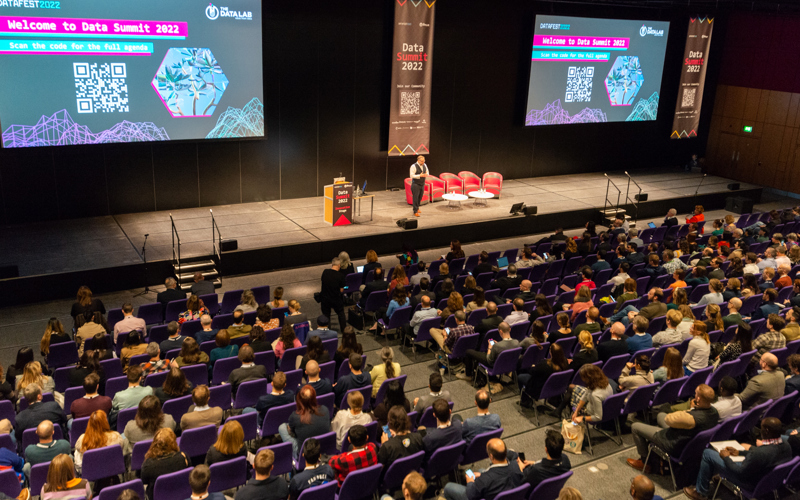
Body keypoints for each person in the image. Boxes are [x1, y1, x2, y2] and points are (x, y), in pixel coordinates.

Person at [684, 417, 792, 500]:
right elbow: (762, 457)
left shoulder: (760, 453)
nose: (760, 430)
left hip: (749, 483)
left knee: (708, 453)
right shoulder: (787, 445)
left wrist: (726, 457)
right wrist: (739, 452)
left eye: (762, 427)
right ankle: (717, 476)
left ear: (767, 431)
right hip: (766, 481)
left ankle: (701, 493)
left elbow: (739, 471)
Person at [628, 384, 719, 472]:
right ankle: (655, 456)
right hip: (686, 437)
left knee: (635, 427)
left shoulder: (691, 418)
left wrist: (690, 409)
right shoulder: (714, 412)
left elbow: (668, 420)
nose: (694, 395)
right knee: (660, 415)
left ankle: (645, 462)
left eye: (696, 393)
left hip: (673, 443)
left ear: (698, 398)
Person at [442, 438, 522, 500]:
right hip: (504, 491)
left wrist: (470, 481)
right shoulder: (515, 466)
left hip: (483, 494)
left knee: (448, 487)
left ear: (491, 456)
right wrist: (482, 475)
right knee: (481, 470)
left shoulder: (485, 479)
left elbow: (471, 495)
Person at [464, 322, 520, 394]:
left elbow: (489, 360)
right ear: (510, 329)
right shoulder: (517, 342)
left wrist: (490, 348)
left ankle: (468, 375)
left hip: (494, 366)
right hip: (509, 366)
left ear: (500, 331)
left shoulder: (498, 346)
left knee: (469, 352)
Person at [278, 385, 331, 459]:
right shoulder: (325, 409)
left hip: (304, 453)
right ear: (314, 398)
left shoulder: (295, 416)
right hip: (321, 447)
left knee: (282, 427)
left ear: (299, 400)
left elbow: (292, 432)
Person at [141, 428, 190, 500]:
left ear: (155, 444)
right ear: (174, 442)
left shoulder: (148, 465)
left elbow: (144, 481)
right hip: (181, 493)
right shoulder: (184, 457)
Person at [74, 409, 128, 474]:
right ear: (105, 422)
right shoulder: (116, 436)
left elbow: (78, 448)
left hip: (91, 471)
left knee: (77, 452)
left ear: (89, 423)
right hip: (113, 468)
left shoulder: (82, 439)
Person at [320, 257, 347, 331]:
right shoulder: (341, 276)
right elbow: (341, 290)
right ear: (339, 266)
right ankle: (344, 330)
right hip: (336, 299)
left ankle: (327, 331)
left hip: (325, 299)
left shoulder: (325, 272)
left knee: (326, 315)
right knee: (341, 313)